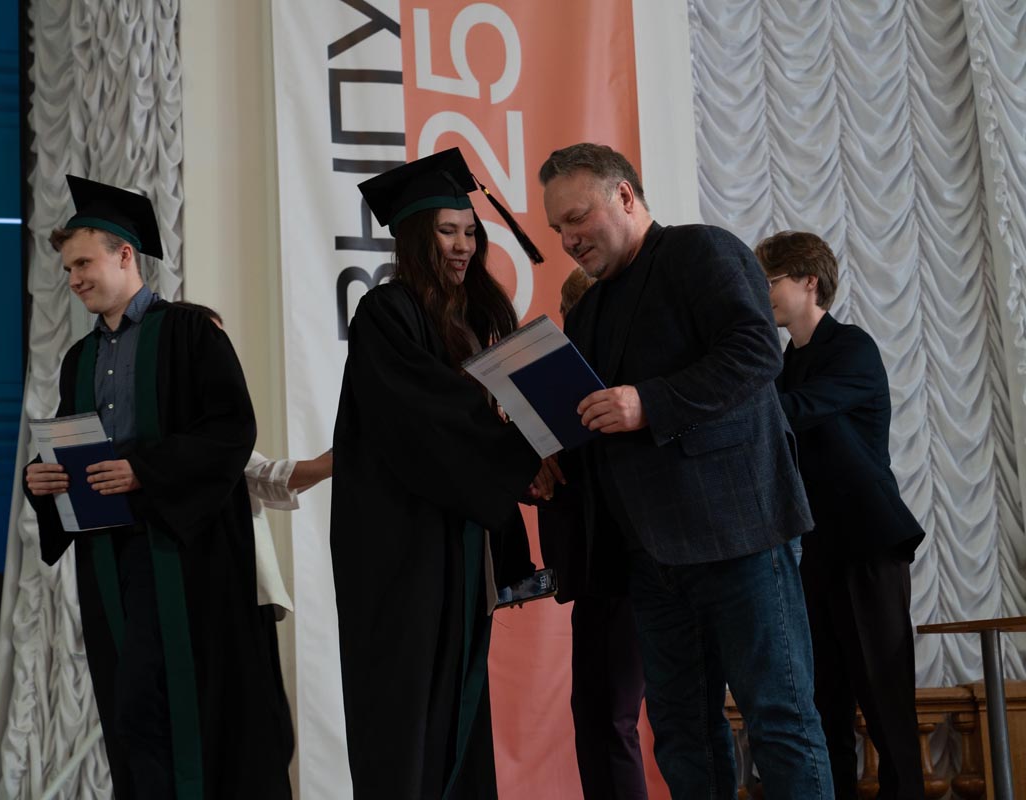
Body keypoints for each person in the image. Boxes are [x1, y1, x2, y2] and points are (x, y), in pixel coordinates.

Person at [538, 143, 832, 799]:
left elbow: (756, 353)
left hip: (741, 534)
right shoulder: (588, 310)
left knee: (780, 721)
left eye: (577, 218)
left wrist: (649, 402)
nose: (568, 239)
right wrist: (551, 458)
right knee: (680, 735)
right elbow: (594, 422)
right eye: (557, 228)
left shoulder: (702, 250)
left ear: (624, 196)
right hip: (651, 558)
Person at [23, 177, 293, 799]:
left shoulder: (192, 333)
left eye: (83, 264)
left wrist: (146, 469)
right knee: (134, 711)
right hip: (111, 557)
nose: (74, 280)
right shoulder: (79, 359)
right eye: (68, 270)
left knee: (191, 709)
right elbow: (75, 443)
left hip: (186, 556)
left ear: (125, 254)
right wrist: (43, 477)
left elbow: (231, 429)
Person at [332, 148, 546, 799]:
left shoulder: (476, 317)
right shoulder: (385, 311)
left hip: (457, 535)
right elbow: (425, 413)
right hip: (399, 544)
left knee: (459, 694)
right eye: (447, 231)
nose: (462, 246)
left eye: (470, 232)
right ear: (414, 238)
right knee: (404, 704)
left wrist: (538, 435)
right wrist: (521, 453)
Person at [757, 230, 926, 800]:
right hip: (811, 551)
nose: (763, 294)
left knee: (884, 703)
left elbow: (797, 411)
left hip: (866, 545)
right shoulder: (782, 363)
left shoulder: (851, 347)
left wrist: (727, 400)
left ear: (809, 281)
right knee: (823, 704)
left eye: (769, 281)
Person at [538, 267, 648, 800]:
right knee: (593, 714)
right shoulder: (572, 393)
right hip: (592, 572)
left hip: (631, 570)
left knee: (613, 716)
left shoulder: (626, 388)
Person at [169, 299, 334, 621]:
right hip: (209, 585)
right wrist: (340, 458)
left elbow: (264, 478)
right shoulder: (183, 421)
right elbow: (263, 476)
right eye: (211, 342)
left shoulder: (212, 412)